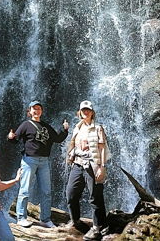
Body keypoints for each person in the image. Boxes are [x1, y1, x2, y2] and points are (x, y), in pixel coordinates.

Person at [7, 100, 69, 228]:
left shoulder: (46, 126)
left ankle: (45, 219)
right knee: (25, 190)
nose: (36, 110)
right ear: (29, 112)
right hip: (29, 160)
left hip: (44, 161)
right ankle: (21, 217)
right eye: (34, 108)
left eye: (39, 108)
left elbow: (57, 139)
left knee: (46, 191)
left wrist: (65, 130)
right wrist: (10, 137)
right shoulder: (25, 125)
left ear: (41, 111)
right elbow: (15, 140)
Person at [65, 100, 111, 240]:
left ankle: (98, 227)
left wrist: (102, 167)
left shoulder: (98, 128)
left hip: (93, 165)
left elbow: (102, 148)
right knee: (71, 194)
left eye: (88, 110)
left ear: (92, 112)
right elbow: (72, 144)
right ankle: (76, 221)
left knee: (95, 197)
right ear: (79, 112)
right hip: (78, 164)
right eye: (83, 110)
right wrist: (70, 154)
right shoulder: (77, 127)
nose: (85, 112)